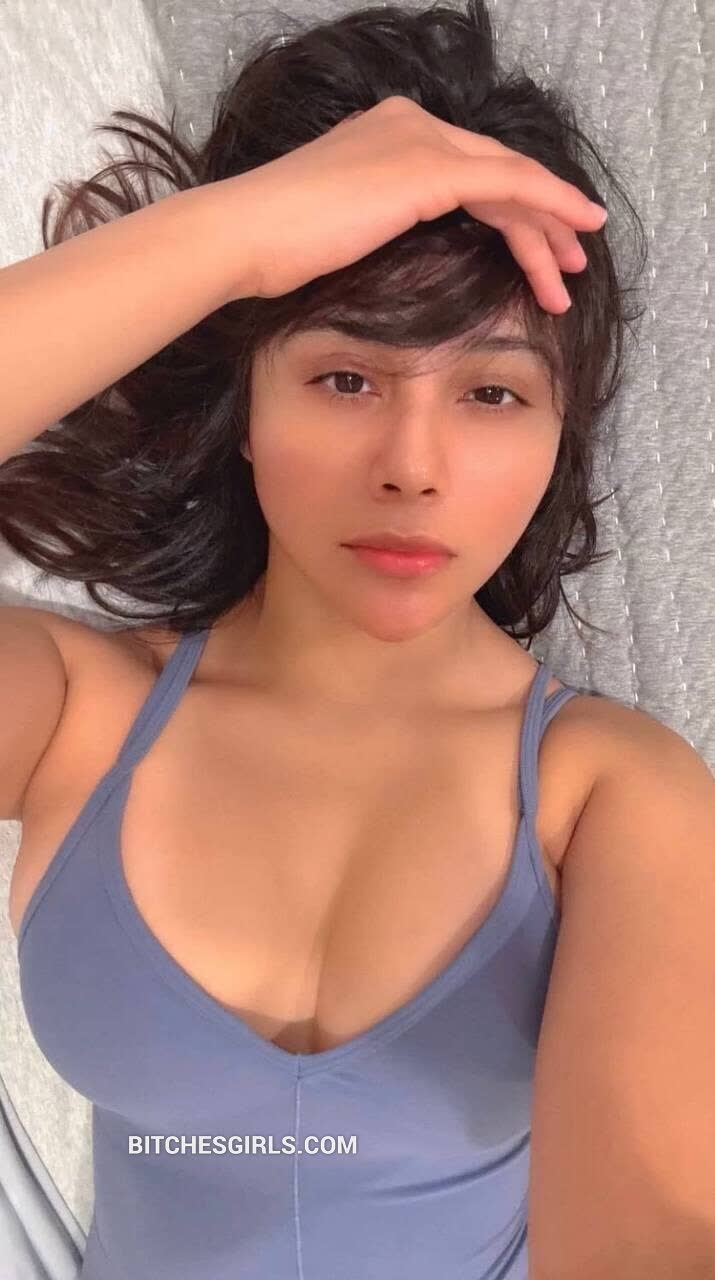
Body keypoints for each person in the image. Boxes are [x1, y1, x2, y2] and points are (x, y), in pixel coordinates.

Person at [4, 3, 705, 1279]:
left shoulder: (611, 795)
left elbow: (646, 1232)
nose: (412, 467)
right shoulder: (76, 713)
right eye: (344, 377)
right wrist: (233, 239)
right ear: (246, 404)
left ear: (556, 441)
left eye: (491, 391)